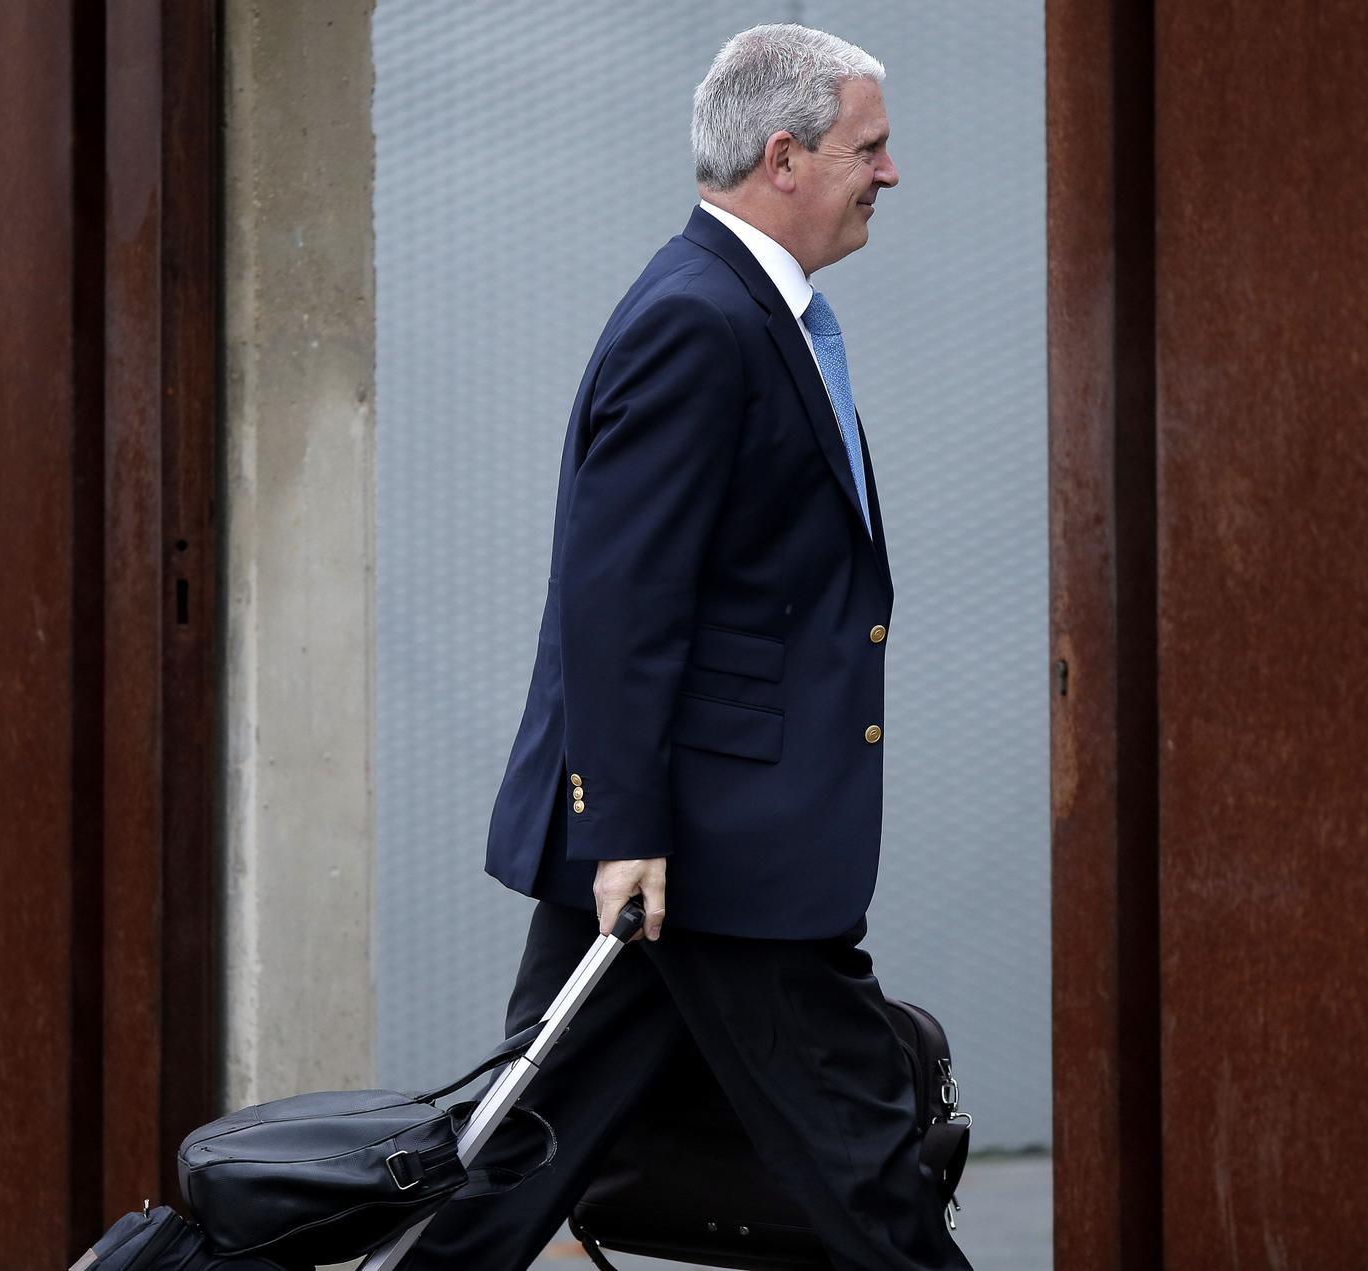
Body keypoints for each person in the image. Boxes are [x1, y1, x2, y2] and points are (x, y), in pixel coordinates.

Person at [406, 23, 972, 1270]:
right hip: (706, 847)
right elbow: (618, 601)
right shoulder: (700, 320)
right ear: (785, 155)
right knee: (863, 1163)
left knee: (520, 1156)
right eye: (869, 147)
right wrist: (627, 829)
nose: (890, 172)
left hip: (687, 841)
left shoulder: (743, 310)